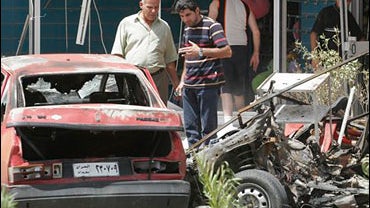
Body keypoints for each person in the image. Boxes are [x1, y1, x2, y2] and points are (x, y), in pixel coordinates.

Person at [174, 0, 232, 147]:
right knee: (190, 127)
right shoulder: (187, 30)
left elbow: (227, 51)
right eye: (182, 16)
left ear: (197, 11)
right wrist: (182, 81)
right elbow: (188, 58)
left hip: (208, 84)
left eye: (188, 15)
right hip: (189, 84)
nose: (185, 19)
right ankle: (194, 159)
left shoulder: (212, 26)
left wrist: (200, 51)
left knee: (208, 129)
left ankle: (208, 160)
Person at [111, 0, 179, 104]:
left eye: (156, 8)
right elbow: (117, 54)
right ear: (141, 5)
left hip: (158, 79)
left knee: (158, 114)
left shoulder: (164, 27)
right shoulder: (127, 23)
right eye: (150, 7)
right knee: (135, 112)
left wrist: (176, 84)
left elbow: (169, 59)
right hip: (134, 78)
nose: (153, 11)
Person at [208, 0, 260, 133]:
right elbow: (255, 31)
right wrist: (256, 53)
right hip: (242, 49)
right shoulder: (245, 5)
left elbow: (209, 26)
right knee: (239, 88)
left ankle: (227, 122)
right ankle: (244, 120)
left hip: (224, 47)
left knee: (225, 87)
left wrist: (207, 50)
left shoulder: (217, 3)